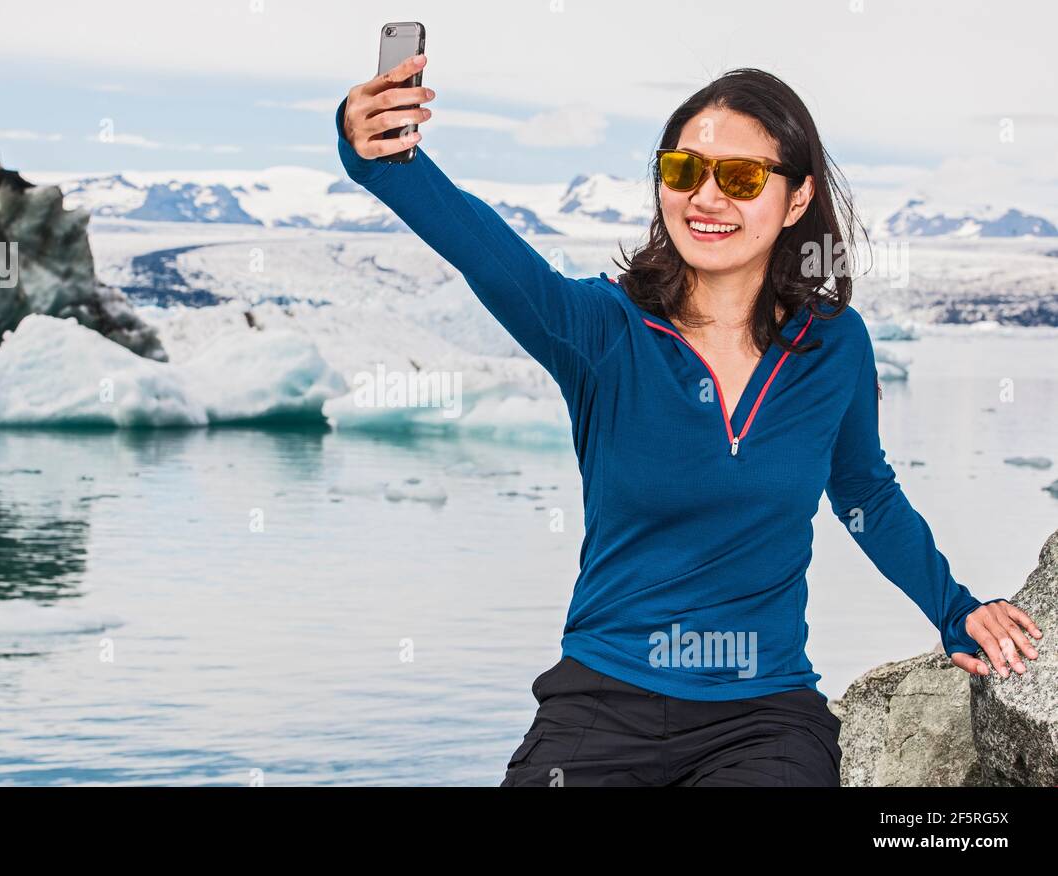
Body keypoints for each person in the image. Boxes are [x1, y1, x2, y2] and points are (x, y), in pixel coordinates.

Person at [335, 56, 1042, 786]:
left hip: (764, 715)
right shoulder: (603, 329)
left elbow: (864, 492)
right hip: (601, 702)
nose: (706, 198)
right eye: (684, 171)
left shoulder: (833, 345)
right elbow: (484, 251)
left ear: (797, 199)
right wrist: (381, 160)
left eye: (740, 177)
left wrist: (956, 608)